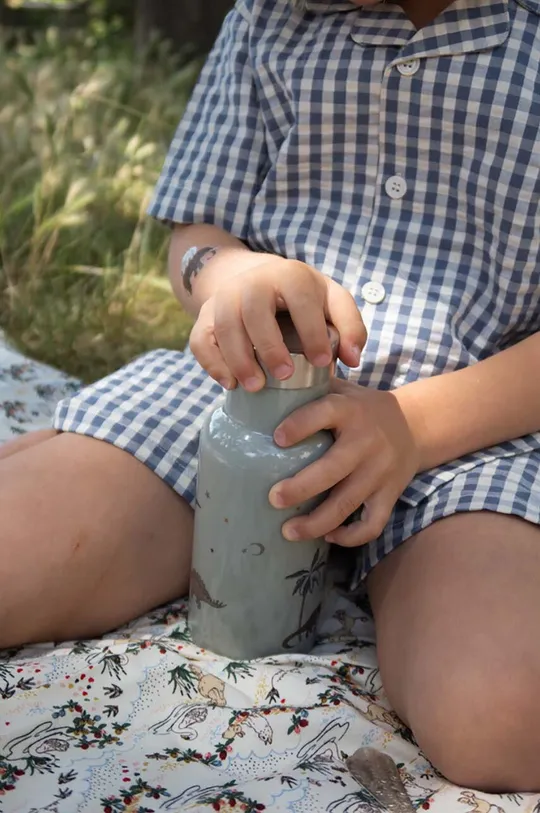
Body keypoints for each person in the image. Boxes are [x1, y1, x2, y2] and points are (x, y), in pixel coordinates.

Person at [2, 0, 540, 792]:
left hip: (475, 431)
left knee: (504, 714)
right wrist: (232, 276)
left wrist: (414, 428)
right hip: (244, 395)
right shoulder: (269, 19)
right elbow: (196, 231)